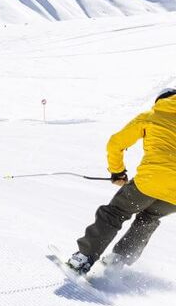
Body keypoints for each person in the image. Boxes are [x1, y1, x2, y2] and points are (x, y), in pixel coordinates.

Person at [66, 89, 176, 274]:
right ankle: (118, 261)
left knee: (115, 213)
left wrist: (117, 172)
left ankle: (83, 258)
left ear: (160, 101)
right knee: (149, 218)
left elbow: (116, 143)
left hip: (150, 182)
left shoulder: (151, 116)